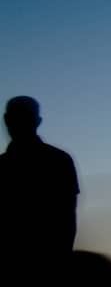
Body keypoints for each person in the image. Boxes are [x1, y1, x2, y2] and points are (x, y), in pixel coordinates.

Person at [1, 95, 79, 271]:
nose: (19, 123)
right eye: (16, 117)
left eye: (24, 117)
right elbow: (67, 216)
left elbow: (66, 216)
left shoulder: (59, 161)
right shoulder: (59, 160)